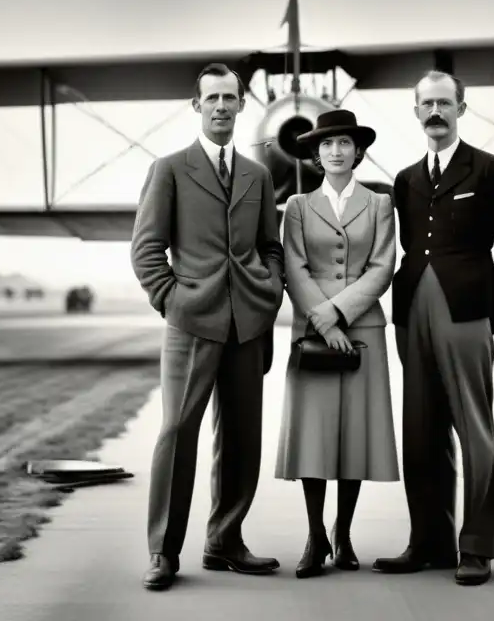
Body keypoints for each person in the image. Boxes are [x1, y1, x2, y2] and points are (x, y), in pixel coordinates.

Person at [373, 70, 494, 586]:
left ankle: (477, 547)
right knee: (420, 432)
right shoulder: (404, 180)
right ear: (417, 112)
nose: (437, 112)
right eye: (428, 105)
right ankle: (428, 542)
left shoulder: (489, 170)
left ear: (462, 109)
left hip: (467, 312)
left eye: (446, 103)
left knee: (474, 429)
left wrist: (486, 299)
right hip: (411, 310)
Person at [130, 63, 286, 591]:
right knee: (177, 432)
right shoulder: (169, 169)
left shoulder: (258, 176)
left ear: (243, 106)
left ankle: (225, 540)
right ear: (196, 107)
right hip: (191, 323)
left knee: (242, 437)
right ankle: (162, 551)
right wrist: (172, 300)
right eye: (212, 97)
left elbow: (271, 245)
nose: (221, 105)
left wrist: (269, 292)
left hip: (249, 324)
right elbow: (146, 248)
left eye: (230, 97)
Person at [274, 109, 400, 579]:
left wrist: (341, 313)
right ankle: (314, 536)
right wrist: (324, 321)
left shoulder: (381, 204)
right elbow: (294, 266)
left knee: (355, 435)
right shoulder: (298, 207)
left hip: (363, 329)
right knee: (314, 433)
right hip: (313, 331)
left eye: (344, 143)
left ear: (358, 151)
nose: (336, 151)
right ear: (315, 153)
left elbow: (383, 265)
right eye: (327, 145)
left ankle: (343, 534)